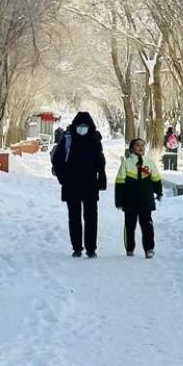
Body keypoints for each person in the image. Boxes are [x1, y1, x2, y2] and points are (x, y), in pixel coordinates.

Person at [50, 111, 106, 258]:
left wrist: (102, 178)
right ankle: (77, 247)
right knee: (74, 217)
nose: (82, 128)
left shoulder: (94, 141)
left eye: (85, 126)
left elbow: (100, 162)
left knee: (91, 217)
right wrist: (63, 178)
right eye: (80, 126)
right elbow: (57, 161)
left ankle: (91, 248)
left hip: (90, 184)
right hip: (71, 185)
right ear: (75, 126)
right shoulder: (67, 140)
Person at [115, 138, 163, 258]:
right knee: (130, 226)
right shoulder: (126, 163)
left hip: (146, 200)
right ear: (131, 148)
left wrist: (159, 192)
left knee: (147, 225)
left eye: (143, 145)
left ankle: (149, 248)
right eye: (137, 145)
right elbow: (120, 182)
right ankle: (130, 248)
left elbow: (156, 179)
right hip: (129, 200)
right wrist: (119, 200)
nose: (141, 147)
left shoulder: (149, 163)